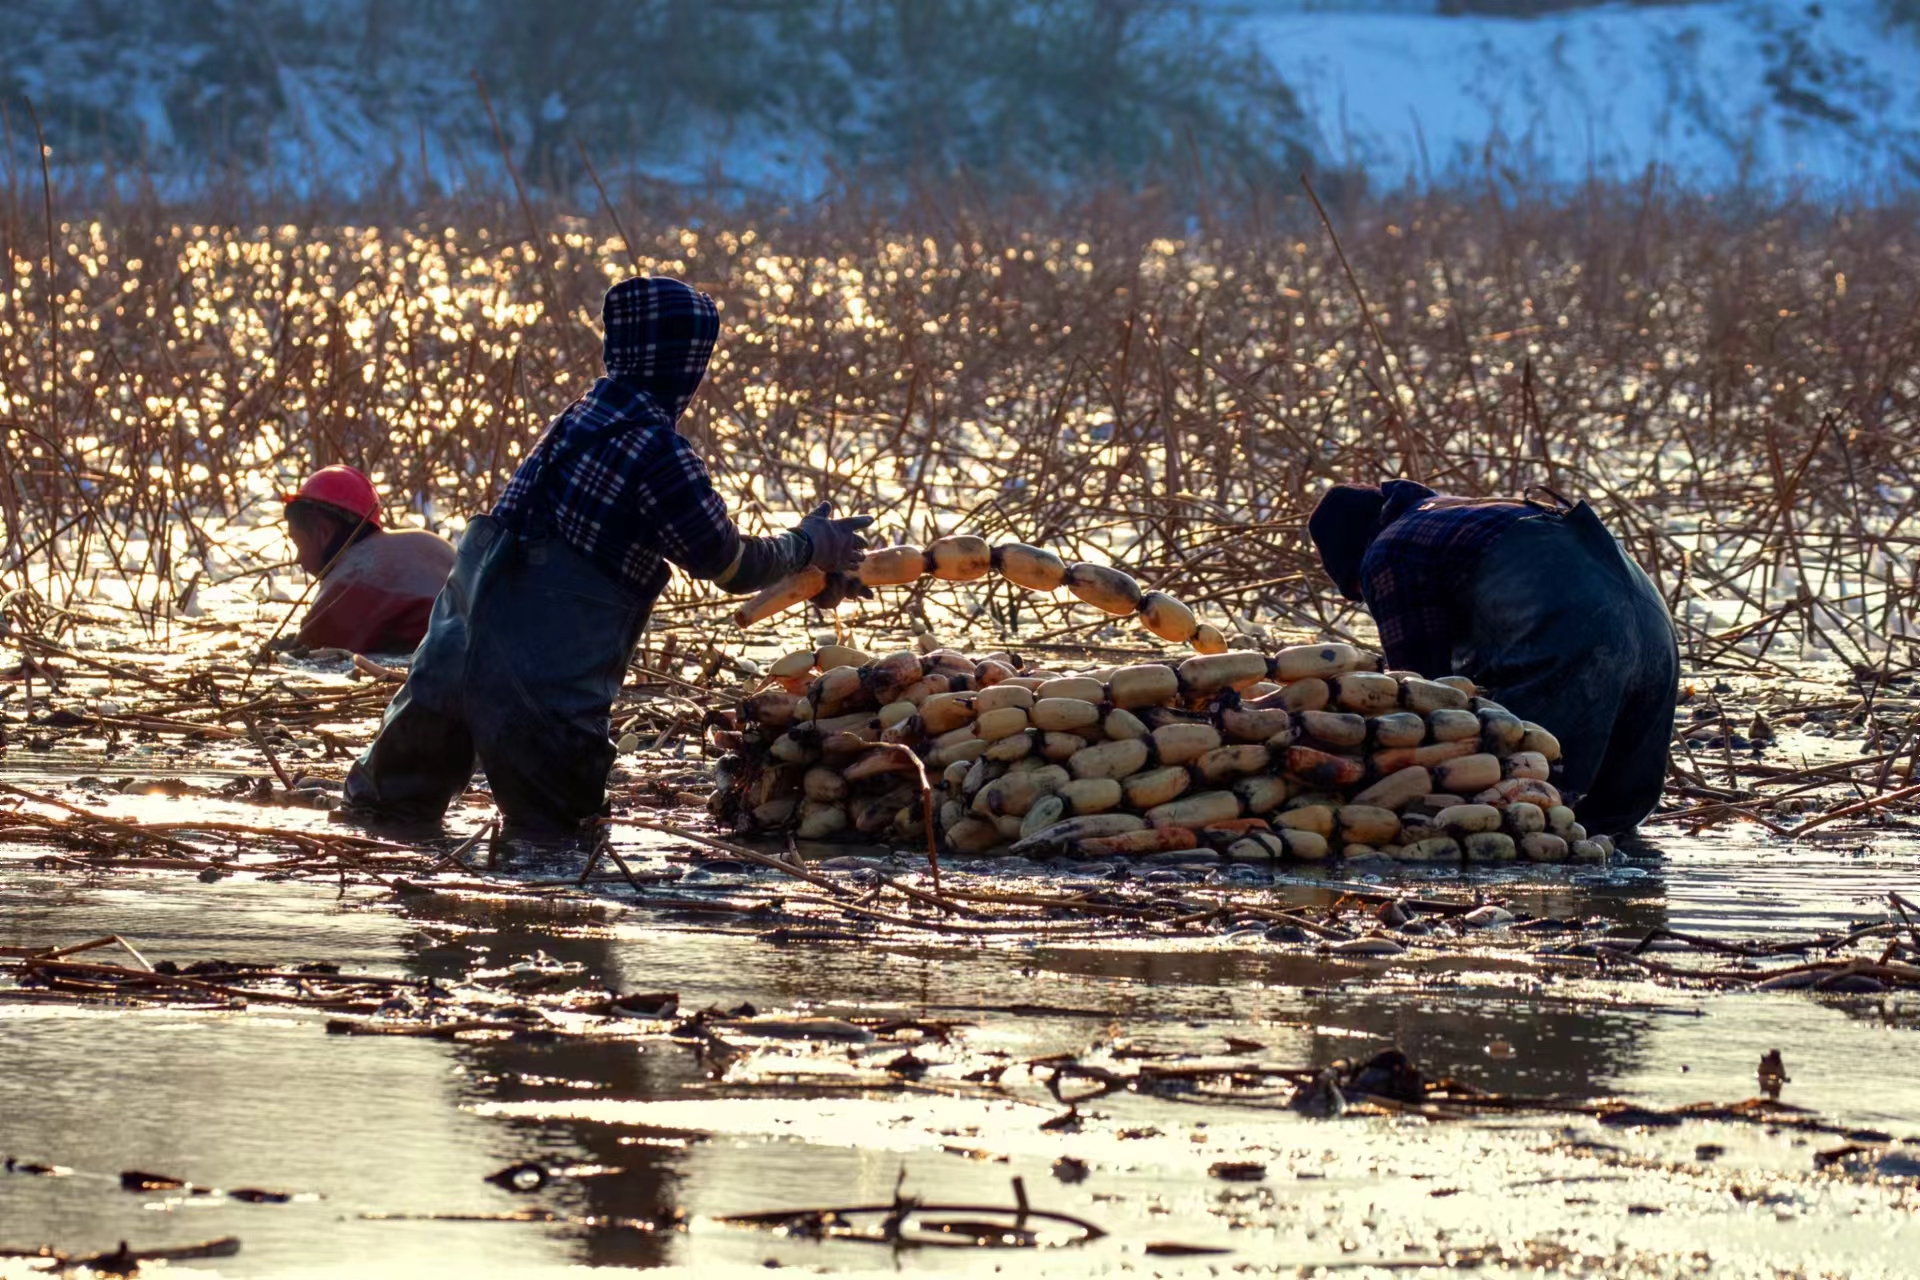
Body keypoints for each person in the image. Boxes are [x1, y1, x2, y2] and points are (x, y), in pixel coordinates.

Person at [341, 275, 871, 836]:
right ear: (685, 364)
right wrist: (812, 544)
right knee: (559, 856)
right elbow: (731, 565)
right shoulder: (657, 450)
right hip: (540, 700)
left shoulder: (576, 420)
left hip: (442, 676)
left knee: (383, 824)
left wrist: (807, 574)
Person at [1307, 479, 1677, 834]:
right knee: (1610, 823)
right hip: (1655, 631)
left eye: (1358, 592)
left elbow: (1428, 698)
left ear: (1356, 556)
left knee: (1524, 805)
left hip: (1570, 628)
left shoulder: (1389, 550)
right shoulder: (1453, 513)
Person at [283, 465, 457, 654]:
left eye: (297, 543)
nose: (297, 560)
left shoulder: (352, 577)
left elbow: (305, 651)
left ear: (323, 532)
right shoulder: (427, 542)